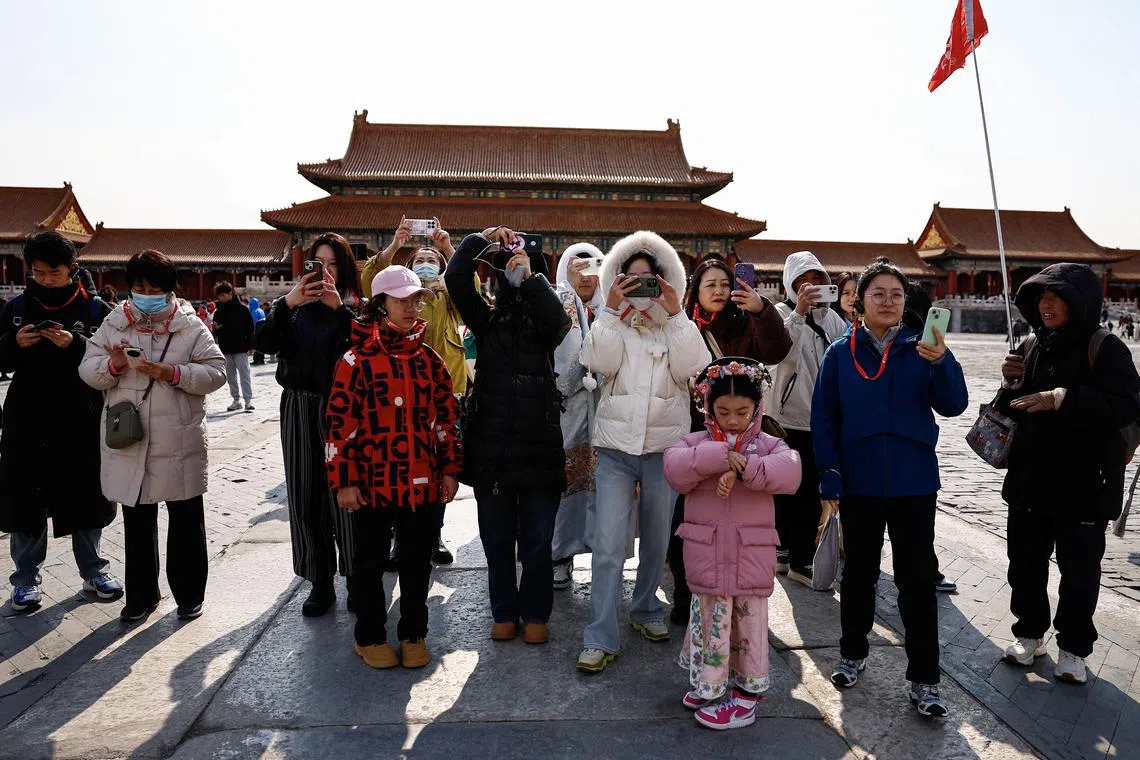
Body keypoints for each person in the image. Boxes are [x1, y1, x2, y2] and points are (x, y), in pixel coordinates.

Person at [812, 257, 968, 718]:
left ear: (906, 303)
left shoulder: (925, 348)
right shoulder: (840, 353)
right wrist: (829, 471)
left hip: (913, 479)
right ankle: (852, 653)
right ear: (860, 301)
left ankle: (925, 678)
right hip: (857, 479)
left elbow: (954, 405)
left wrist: (943, 362)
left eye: (896, 294)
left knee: (917, 580)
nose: (887, 301)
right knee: (858, 572)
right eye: (877, 293)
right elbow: (825, 417)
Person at [996, 263, 1140, 684]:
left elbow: (1126, 405)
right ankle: (1029, 633)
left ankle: (1074, 647)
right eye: (1041, 297)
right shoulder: (1029, 345)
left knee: (1079, 570)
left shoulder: (1106, 347)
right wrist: (1010, 385)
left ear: (1080, 302)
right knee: (1024, 562)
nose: (1046, 304)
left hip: (1086, 483)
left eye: (1056, 296)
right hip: (1030, 480)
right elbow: (1010, 411)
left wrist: (1061, 398)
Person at [577, 231, 712, 673]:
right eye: (628, 278)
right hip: (615, 449)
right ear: (616, 281)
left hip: (664, 449)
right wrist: (612, 312)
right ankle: (599, 635)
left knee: (656, 540)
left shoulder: (677, 325)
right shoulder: (608, 320)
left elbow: (694, 368)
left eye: (647, 278)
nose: (638, 285)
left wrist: (675, 314)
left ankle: (646, 609)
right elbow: (596, 361)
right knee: (609, 545)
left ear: (664, 279)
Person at [326, 266, 461, 670]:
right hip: (370, 482)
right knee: (369, 562)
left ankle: (414, 632)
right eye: (401, 300)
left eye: (415, 300)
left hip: (420, 481)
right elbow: (338, 426)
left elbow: (446, 419)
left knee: (417, 560)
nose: (411, 307)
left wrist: (450, 468)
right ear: (379, 304)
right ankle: (368, 637)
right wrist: (344, 480)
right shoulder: (354, 361)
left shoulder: (429, 359)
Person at [80, 249, 227, 622]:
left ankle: (190, 594)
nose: (146, 293)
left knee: (186, 521)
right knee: (138, 522)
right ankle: (142, 596)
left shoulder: (190, 326)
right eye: (139, 286)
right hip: (131, 437)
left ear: (170, 290)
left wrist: (171, 373)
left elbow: (217, 372)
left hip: (179, 438)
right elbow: (87, 369)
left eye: (154, 287)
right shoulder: (115, 323)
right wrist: (112, 365)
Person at [444, 225, 570, 646]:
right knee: (496, 540)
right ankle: (503, 611)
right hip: (492, 450)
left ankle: (535, 613)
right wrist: (480, 241)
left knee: (537, 541)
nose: (513, 275)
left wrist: (531, 276)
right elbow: (456, 280)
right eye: (508, 269)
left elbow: (558, 320)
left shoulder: (546, 323)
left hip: (539, 447)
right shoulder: (486, 318)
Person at [665, 358, 801, 729]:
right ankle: (712, 682)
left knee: (748, 624)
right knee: (710, 618)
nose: (732, 419)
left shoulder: (768, 445)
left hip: (749, 555)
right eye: (722, 411)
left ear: (756, 408)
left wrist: (747, 467)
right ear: (708, 408)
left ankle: (746, 697)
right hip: (708, 553)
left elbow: (791, 471)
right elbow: (674, 468)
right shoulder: (697, 444)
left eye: (742, 412)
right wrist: (720, 456)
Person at [667, 257, 792, 623]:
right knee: (688, 522)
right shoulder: (684, 327)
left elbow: (777, 350)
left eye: (725, 283)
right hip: (696, 436)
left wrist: (763, 309)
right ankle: (687, 596)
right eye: (711, 285)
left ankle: (740, 601)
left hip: (743, 437)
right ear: (697, 291)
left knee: (743, 523)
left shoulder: (747, 323)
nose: (720, 291)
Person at [0, 231, 120, 613]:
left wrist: (77, 346)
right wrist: (11, 345)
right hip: (27, 418)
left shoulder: (95, 310)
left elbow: (112, 364)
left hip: (80, 418)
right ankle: (24, 579)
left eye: (54, 272)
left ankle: (93, 571)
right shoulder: (17, 306)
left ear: (72, 269)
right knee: (26, 502)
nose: (46, 279)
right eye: (38, 272)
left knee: (85, 498)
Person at [255, 232, 360, 616]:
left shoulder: (357, 308)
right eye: (318, 264)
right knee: (304, 492)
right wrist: (286, 302)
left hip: (345, 409)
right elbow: (263, 342)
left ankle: (354, 576)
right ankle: (319, 580)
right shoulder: (294, 308)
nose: (326, 272)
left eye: (333, 265)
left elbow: (369, 345)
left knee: (347, 494)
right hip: (299, 405)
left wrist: (339, 309)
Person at [364, 219, 470, 567]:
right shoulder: (396, 295)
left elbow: (472, 291)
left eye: (433, 260)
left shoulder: (445, 294)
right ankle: (399, 539)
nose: (427, 263)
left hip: (444, 388)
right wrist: (395, 245)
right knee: (399, 464)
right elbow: (370, 281)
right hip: (396, 389)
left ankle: (433, 534)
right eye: (420, 260)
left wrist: (449, 249)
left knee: (439, 466)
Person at [770, 252, 849, 587]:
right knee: (785, 489)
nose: (813, 286)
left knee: (806, 493)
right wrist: (800, 313)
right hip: (786, 416)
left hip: (820, 418)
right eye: (805, 280)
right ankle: (788, 553)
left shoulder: (833, 319)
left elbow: (846, 356)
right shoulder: (780, 314)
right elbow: (782, 354)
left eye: (819, 279)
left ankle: (799, 556)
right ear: (791, 283)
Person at [551, 243, 606, 590]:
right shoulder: (555, 307)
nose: (586, 276)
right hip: (566, 413)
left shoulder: (612, 309)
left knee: (607, 488)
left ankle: (607, 555)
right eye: (578, 267)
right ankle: (560, 555)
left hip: (605, 413)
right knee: (566, 486)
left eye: (593, 267)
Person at [212, 281, 255, 412]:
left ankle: (248, 401)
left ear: (230, 294)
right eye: (219, 296)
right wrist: (217, 328)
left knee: (244, 375)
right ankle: (236, 400)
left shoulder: (242, 310)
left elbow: (250, 329)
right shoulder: (218, 312)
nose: (221, 298)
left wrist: (251, 345)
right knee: (231, 377)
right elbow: (216, 331)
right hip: (226, 348)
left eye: (224, 295)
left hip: (241, 347)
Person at [248, 297, 267, 365]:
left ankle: (256, 360)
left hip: (256, 330)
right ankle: (261, 359)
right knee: (261, 345)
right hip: (263, 330)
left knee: (256, 345)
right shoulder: (261, 310)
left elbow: (254, 322)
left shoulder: (254, 311)